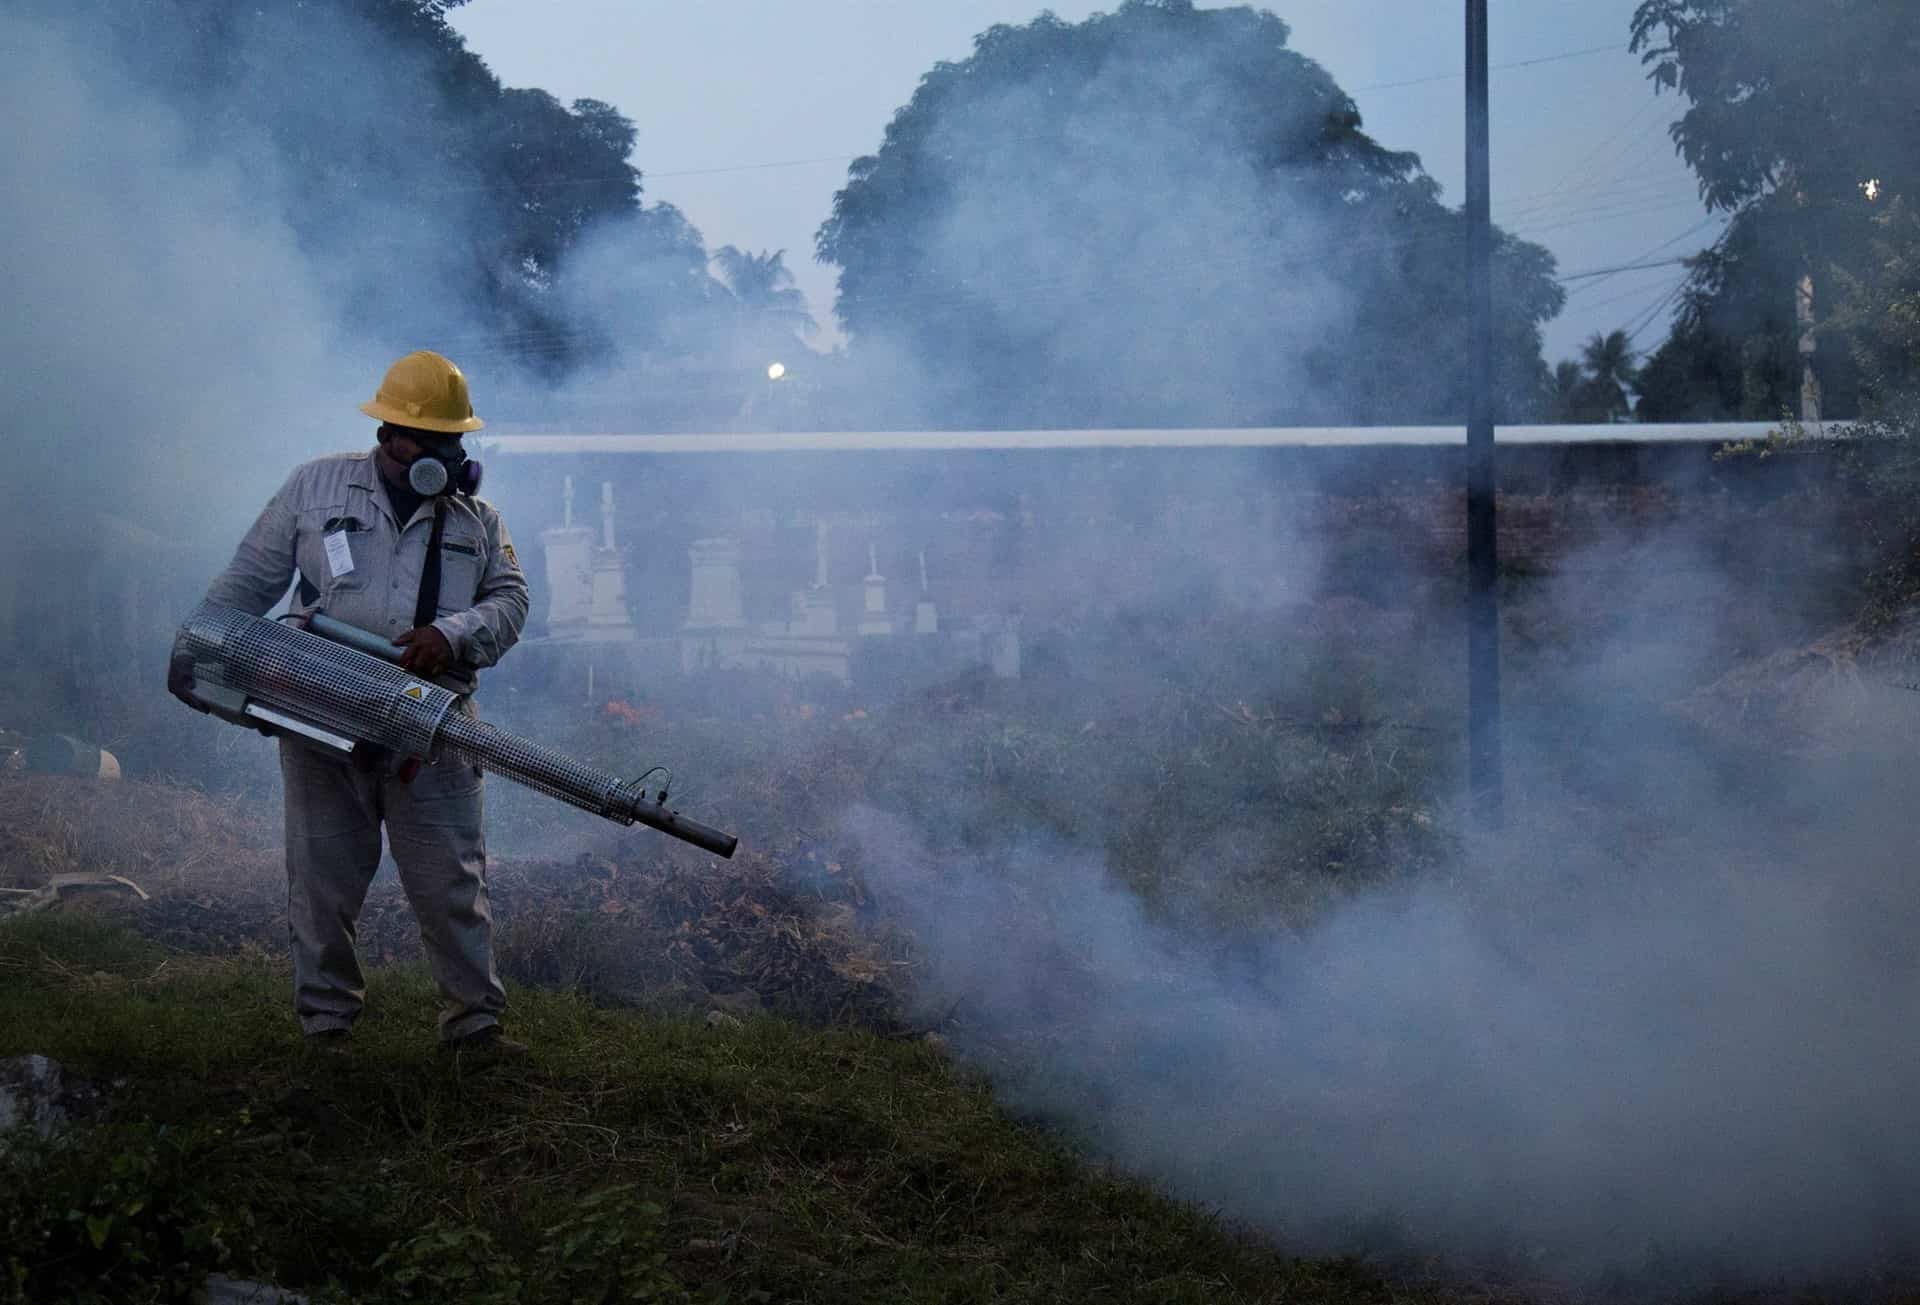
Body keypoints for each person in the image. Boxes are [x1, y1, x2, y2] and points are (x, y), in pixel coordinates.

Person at [188, 350, 530, 1055]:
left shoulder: (477, 520)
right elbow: (244, 587)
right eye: (429, 440)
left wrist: (453, 633)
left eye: (454, 440)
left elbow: (511, 601)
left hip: (431, 728)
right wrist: (210, 653)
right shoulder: (314, 491)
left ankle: (475, 1029)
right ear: (390, 436)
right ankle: (328, 1028)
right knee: (321, 880)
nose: (445, 454)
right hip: (323, 714)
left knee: (452, 881)